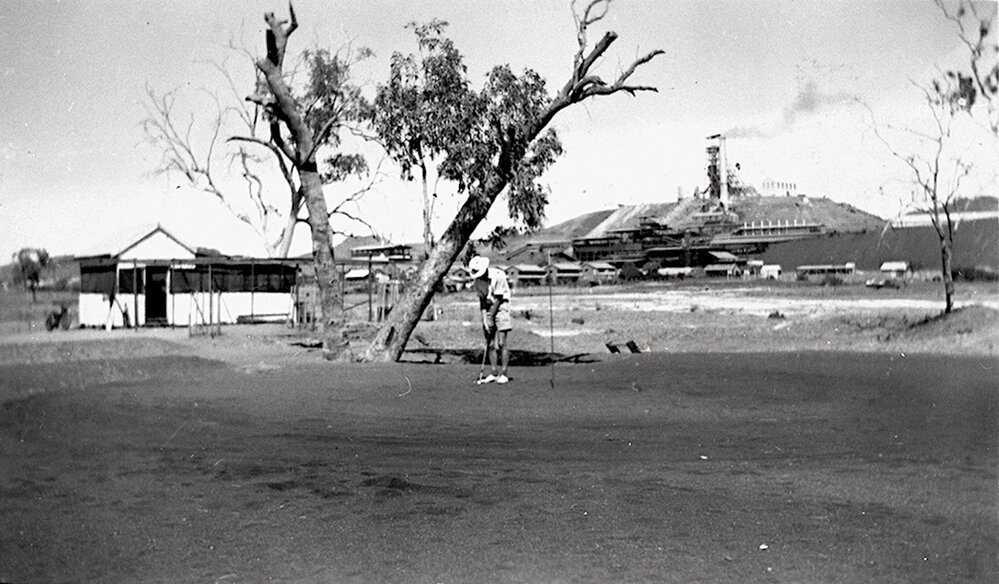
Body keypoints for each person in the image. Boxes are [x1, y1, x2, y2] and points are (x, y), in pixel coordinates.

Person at [468, 255, 511, 384]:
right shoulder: (478, 281)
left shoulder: (499, 275)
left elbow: (498, 298)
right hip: (487, 307)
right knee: (490, 343)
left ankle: (504, 374)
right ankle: (493, 372)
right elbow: (482, 300)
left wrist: (491, 317)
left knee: (502, 342)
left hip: (502, 306)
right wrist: (485, 320)